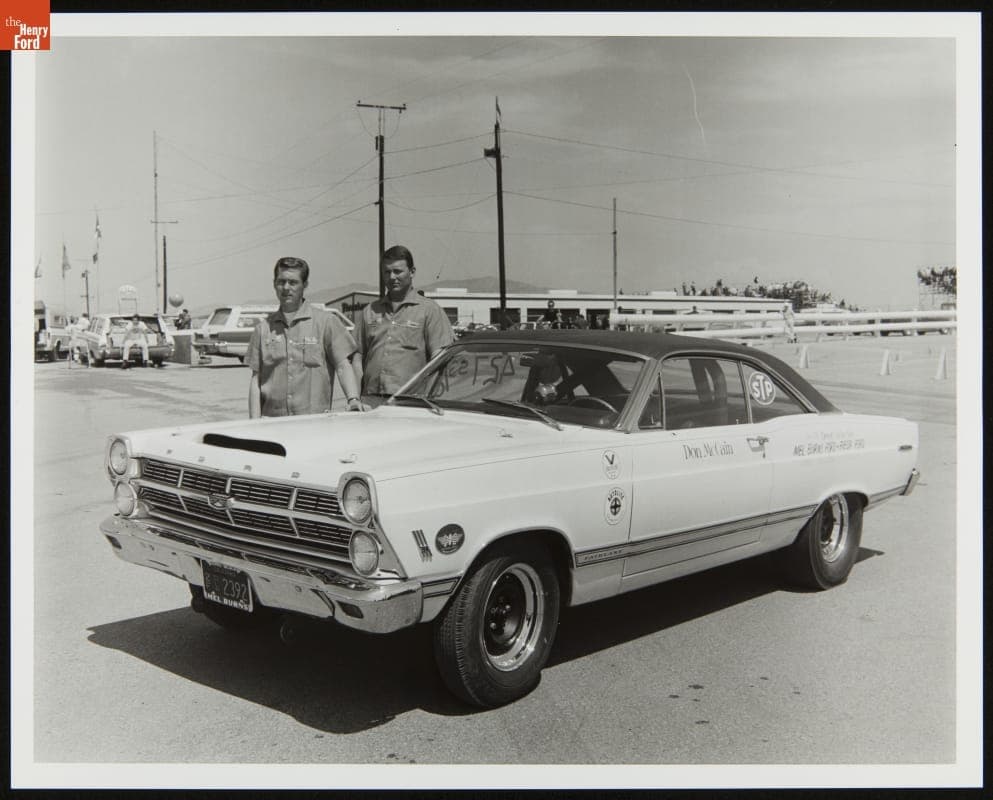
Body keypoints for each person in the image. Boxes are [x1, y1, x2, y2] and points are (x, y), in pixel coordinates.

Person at [247, 256, 362, 418]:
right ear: (274, 284)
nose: (286, 287)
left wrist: (353, 399)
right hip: (271, 424)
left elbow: (342, 365)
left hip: (313, 424)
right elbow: (255, 380)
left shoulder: (326, 322)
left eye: (293, 282)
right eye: (281, 282)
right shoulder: (262, 329)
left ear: (305, 285)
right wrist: (254, 422)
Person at [353, 245, 454, 398]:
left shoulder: (429, 311)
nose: (392, 277)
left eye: (397, 271)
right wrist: (355, 397)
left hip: (411, 402)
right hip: (371, 400)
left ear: (412, 272)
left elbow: (439, 360)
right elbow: (357, 357)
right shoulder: (370, 311)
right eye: (387, 272)